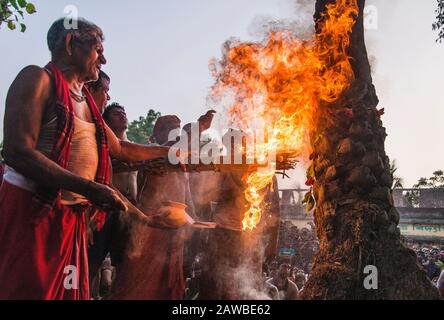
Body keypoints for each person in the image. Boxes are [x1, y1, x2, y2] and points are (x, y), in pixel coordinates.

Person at [0, 18, 184, 300]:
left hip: (70, 223)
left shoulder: (86, 101)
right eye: (98, 50)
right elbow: (17, 152)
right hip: (32, 216)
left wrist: (171, 153)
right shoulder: (37, 78)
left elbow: (121, 149)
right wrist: (88, 189)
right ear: (71, 44)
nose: (104, 59)